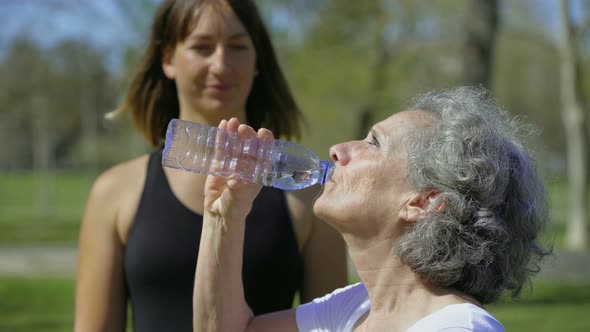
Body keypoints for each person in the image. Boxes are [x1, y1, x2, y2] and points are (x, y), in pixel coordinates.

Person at [74, 0, 347, 331]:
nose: (221, 64)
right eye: (202, 47)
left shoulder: (309, 195)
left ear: (257, 59)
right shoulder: (115, 192)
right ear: (168, 59)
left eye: (237, 47)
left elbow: (335, 326)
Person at [192, 86, 552, 331]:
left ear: (422, 202)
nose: (336, 149)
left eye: (374, 142)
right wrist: (224, 216)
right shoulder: (357, 308)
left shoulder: (458, 327)